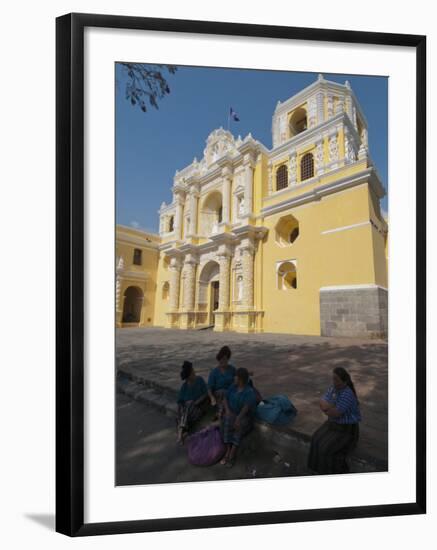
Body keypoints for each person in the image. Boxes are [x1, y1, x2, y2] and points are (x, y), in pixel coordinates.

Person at [308, 366, 361, 474]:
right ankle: (317, 470)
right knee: (315, 439)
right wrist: (329, 407)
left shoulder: (347, 394)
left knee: (326, 447)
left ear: (345, 382)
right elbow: (321, 401)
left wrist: (328, 408)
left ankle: (332, 472)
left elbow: (335, 413)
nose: (334, 382)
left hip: (346, 429)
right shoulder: (333, 388)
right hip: (333, 424)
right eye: (333, 378)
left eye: (336, 379)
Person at [220, 367, 257, 467]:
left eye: (236, 376)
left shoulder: (249, 392)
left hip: (245, 417)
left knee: (238, 425)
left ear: (240, 379)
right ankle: (227, 450)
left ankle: (232, 452)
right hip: (232, 414)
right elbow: (225, 398)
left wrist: (238, 418)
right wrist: (227, 410)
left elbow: (246, 408)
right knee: (227, 420)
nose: (234, 378)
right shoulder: (233, 387)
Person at [176, 361, 208, 445]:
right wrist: (182, 407)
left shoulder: (200, 380)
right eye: (192, 373)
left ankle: (180, 432)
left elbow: (205, 394)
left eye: (193, 371)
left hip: (198, 409)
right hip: (187, 413)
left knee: (189, 404)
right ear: (188, 377)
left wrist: (196, 402)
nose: (194, 373)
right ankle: (183, 432)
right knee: (183, 406)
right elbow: (180, 401)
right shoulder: (184, 386)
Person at [207, 346, 236, 416]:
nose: (222, 361)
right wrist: (211, 397)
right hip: (218, 395)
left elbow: (237, 381)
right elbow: (209, 388)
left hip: (230, 393)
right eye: (220, 359)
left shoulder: (232, 369)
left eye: (224, 359)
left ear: (228, 359)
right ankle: (222, 413)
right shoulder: (214, 372)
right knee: (222, 393)